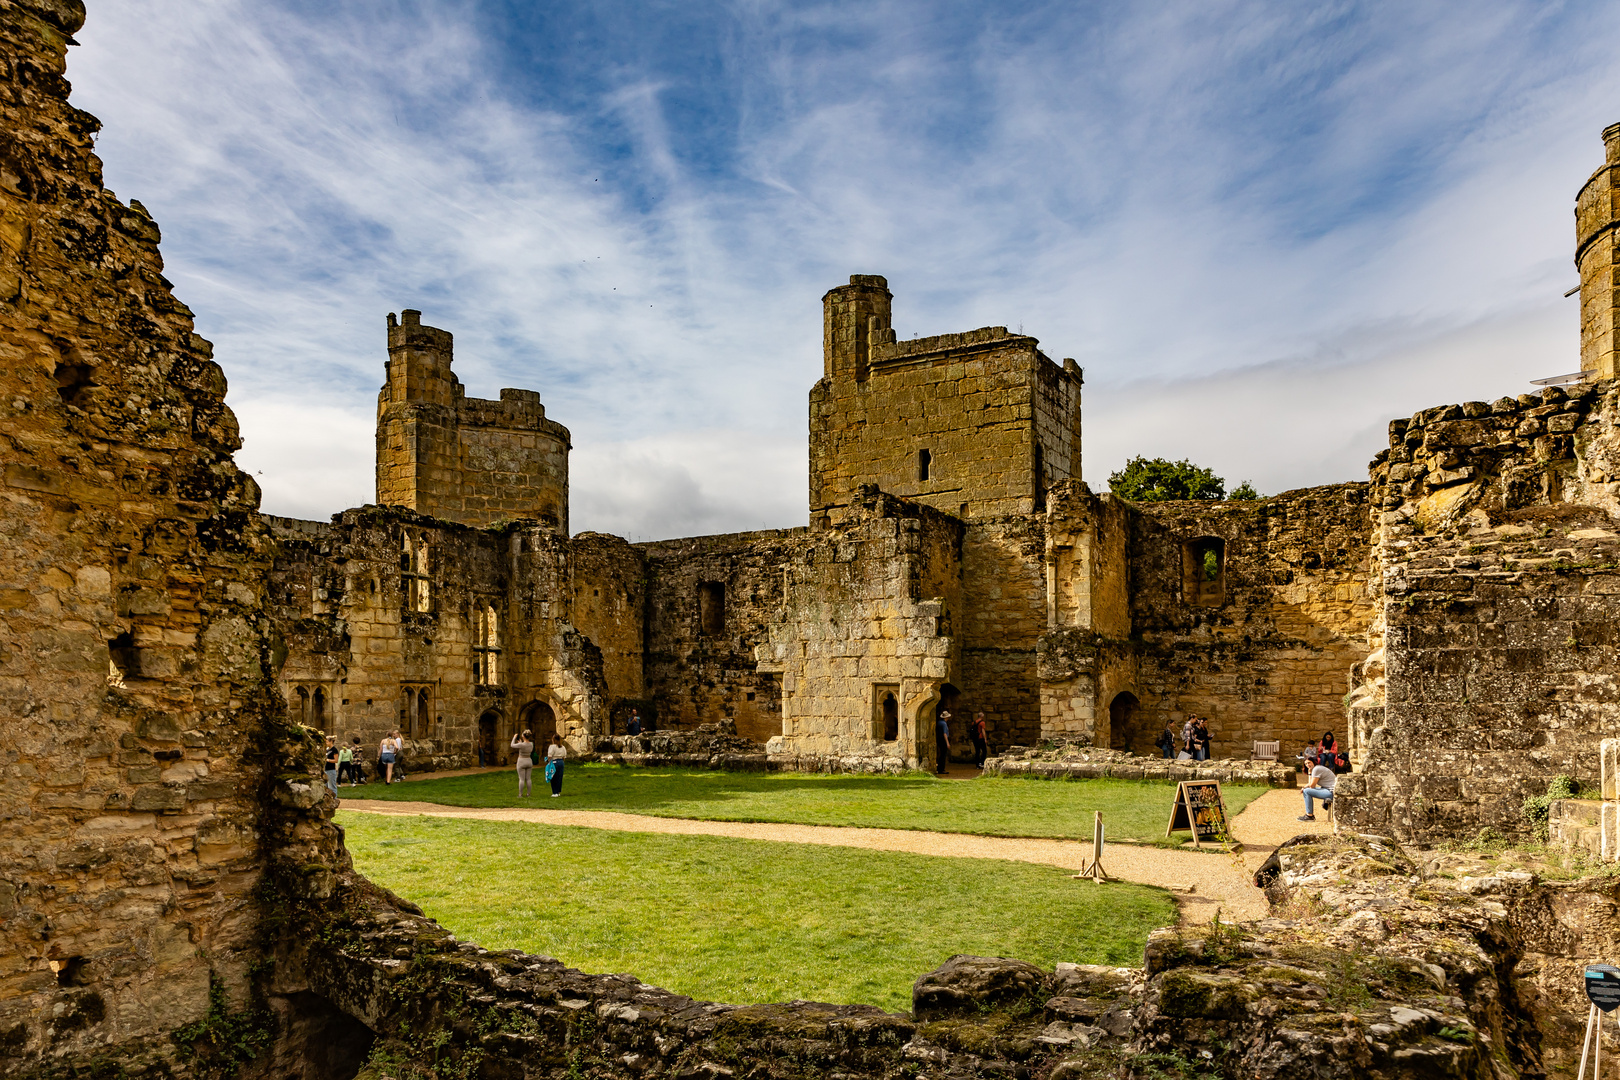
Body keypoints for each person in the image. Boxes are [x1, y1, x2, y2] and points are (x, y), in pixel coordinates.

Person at [1299, 756, 1336, 821]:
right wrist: (1304, 787)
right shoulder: (1317, 768)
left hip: (1332, 792)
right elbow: (1311, 783)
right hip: (1329, 790)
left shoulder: (1316, 769)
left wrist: (1309, 773)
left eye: (1309, 763)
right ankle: (1309, 815)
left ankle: (1309, 816)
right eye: (1306, 764)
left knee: (1306, 791)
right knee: (1306, 790)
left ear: (1313, 762)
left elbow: (1312, 786)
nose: (1308, 765)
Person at [511, 729, 535, 797]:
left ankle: (520, 794)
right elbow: (525, 746)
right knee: (528, 779)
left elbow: (512, 745)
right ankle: (528, 793)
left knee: (521, 779)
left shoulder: (521, 745)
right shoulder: (531, 744)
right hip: (529, 760)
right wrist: (520, 742)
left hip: (521, 761)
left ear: (524, 736)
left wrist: (514, 737)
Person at [935, 709, 952, 774]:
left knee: (941, 754)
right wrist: (947, 743)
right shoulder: (944, 724)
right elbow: (945, 733)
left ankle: (939, 768)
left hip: (939, 739)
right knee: (943, 755)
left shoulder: (939, 722)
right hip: (943, 740)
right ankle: (941, 769)